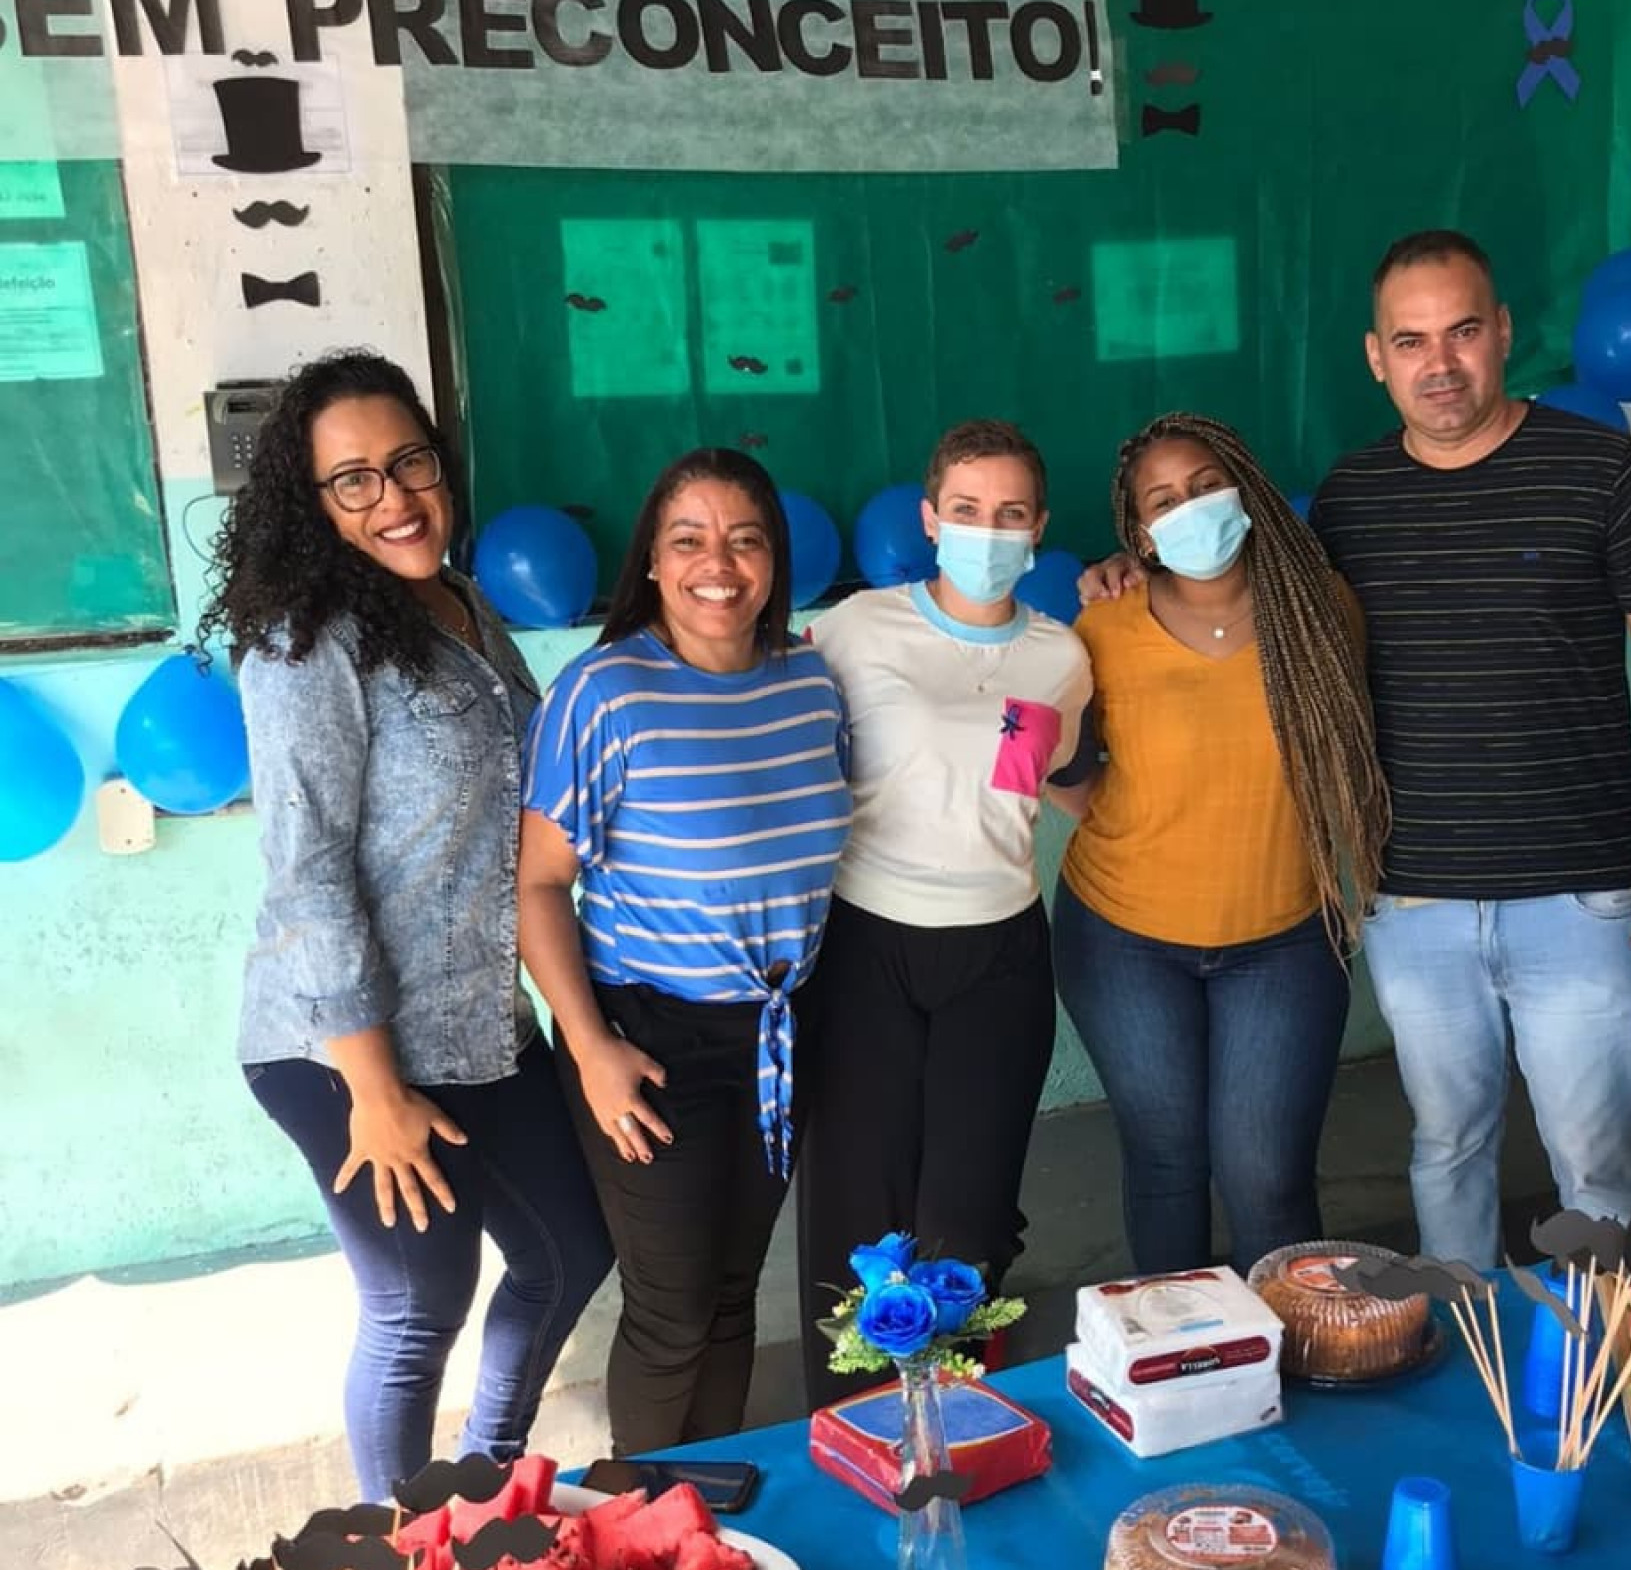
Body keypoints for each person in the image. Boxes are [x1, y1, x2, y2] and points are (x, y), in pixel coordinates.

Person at [205, 349, 612, 1502]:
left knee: (570, 1253)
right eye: (354, 481)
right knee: (416, 1303)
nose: (394, 498)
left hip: (481, 1023)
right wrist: (375, 1091)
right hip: (346, 1047)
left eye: (410, 463)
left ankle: (484, 1490)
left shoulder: (464, 605)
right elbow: (308, 871)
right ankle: (401, 1568)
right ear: (311, 501)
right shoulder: (303, 639)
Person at [1314, 229, 1631, 1268]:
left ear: (1502, 333)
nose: (1438, 364)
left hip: (1582, 899)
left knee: (1603, 1169)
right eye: (1411, 341)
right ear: (1376, 356)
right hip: (1416, 902)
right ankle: (1467, 1374)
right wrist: (1117, 578)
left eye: (1461, 331)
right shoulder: (1349, 501)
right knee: (1446, 1150)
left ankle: (1623, 1386)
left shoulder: (1604, 474)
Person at [518, 448, 851, 1453]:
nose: (720, 563)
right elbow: (537, 886)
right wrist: (591, 1051)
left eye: (746, 539)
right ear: (654, 565)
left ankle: (713, 1518)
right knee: (670, 1316)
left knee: (736, 1295)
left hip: (780, 1032)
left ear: (775, 561)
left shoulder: (810, 683)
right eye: (689, 539)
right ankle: (646, 1540)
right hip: (648, 1040)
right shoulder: (604, 693)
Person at [1053, 412, 1390, 1278]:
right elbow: (1075, 789)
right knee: (1166, 1162)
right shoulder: (1103, 629)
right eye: (1161, 501)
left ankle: (1290, 1373)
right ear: (1139, 534)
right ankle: (1177, 1373)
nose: (1189, 510)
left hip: (1283, 940)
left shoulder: (1322, 614)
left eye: (1205, 486)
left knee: (1268, 1174)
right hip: (1124, 938)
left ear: (1245, 486)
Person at [797, 420, 1093, 1406]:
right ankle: (848, 1431)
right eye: (966, 510)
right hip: (865, 950)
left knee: (967, 1219)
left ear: (1040, 528)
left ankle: (957, 1430)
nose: (988, 530)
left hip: (1000, 959)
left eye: (1010, 513)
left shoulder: (1062, 658)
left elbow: (1049, 784)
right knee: (857, 1215)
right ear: (931, 520)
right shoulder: (851, 630)